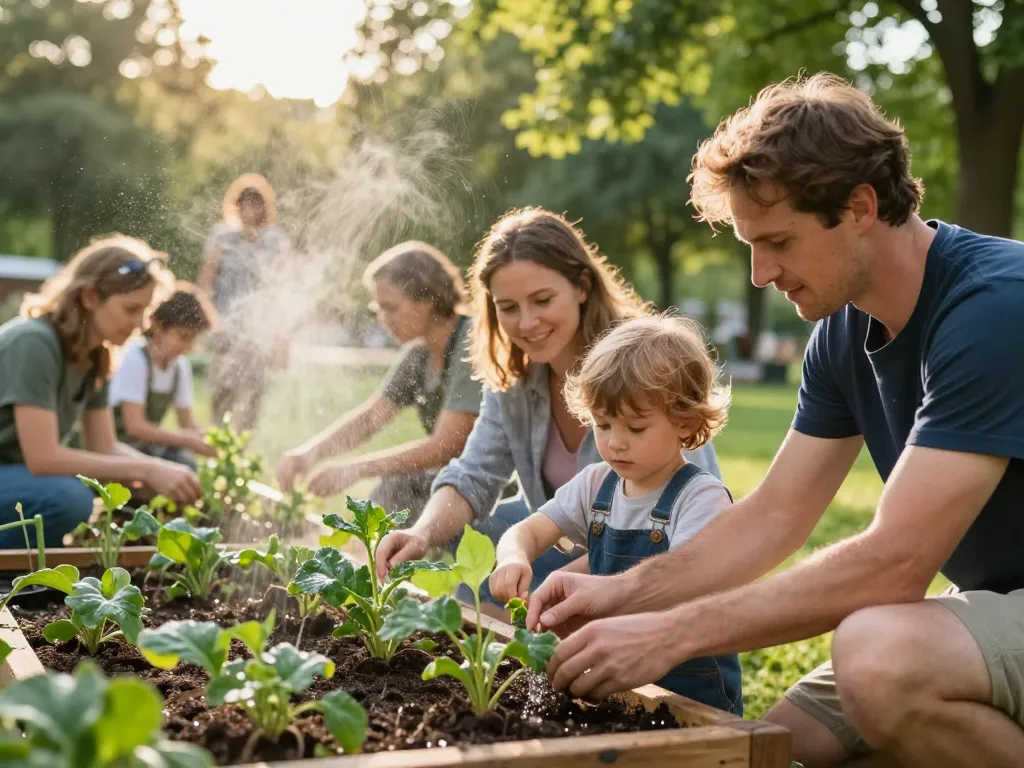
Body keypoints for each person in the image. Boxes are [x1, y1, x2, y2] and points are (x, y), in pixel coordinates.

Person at [521, 73, 1024, 768]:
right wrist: (619, 591)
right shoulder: (844, 333)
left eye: (779, 242)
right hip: (997, 608)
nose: (760, 274)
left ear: (859, 206)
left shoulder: (994, 307)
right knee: (773, 751)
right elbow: (775, 516)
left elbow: (895, 564)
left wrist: (671, 633)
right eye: (751, 245)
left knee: (876, 657)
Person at [375, 207, 723, 608]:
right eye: (508, 307)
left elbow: (694, 529)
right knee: (491, 541)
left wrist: (571, 579)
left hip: (643, 566)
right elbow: (473, 475)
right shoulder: (515, 381)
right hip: (563, 551)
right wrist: (420, 534)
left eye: (542, 299)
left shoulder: (643, 367)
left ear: (581, 286)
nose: (527, 323)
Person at [489, 314, 741, 713]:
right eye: (603, 425)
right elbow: (527, 531)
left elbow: (688, 592)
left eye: (635, 428)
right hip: (614, 680)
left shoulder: (699, 497)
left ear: (685, 422)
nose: (615, 443)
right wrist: (514, 556)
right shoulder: (596, 484)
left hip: (688, 693)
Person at [0, 235, 203, 548]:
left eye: (145, 311)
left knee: (121, 486)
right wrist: (146, 468)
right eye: (130, 309)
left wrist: (159, 473)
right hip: (13, 474)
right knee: (71, 498)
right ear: (90, 297)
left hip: (14, 478)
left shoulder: (96, 356)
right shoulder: (34, 343)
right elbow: (43, 458)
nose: (140, 325)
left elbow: (104, 447)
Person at [275, 241, 481, 521]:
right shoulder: (420, 353)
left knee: (395, 489)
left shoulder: (472, 344)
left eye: (390, 307)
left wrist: (356, 469)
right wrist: (308, 455)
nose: (382, 319)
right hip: (458, 481)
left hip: (495, 485)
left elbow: (445, 446)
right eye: (378, 308)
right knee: (392, 492)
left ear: (427, 300)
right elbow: (372, 418)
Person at [199, 172, 290, 432]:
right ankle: (221, 444)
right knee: (221, 391)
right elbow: (207, 281)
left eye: (255, 203)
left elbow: (282, 291)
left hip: (259, 332)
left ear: (265, 206)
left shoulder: (275, 241)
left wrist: (281, 337)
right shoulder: (221, 237)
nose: (249, 209)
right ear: (235, 206)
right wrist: (206, 319)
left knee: (254, 393)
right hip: (225, 326)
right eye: (244, 203)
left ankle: (242, 449)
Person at [109, 283, 218, 470]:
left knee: (187, 465)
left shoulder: (179, 367)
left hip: (146, 449)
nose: (189, 346)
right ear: (158, 327)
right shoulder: (135, 358)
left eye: (193, 338)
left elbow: (187, 423)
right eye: (183, 336)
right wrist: (186, 440)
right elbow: (134, 426)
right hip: (118, 449)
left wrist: (212, 441)